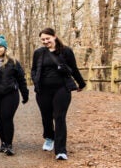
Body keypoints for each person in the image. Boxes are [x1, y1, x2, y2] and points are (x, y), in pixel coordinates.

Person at [31, 27, 86, 160]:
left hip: (62, 88)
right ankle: (49, 138)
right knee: (46, 116)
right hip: (43, 90)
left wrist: (81, 83)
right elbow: (33, 70)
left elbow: (73, 68)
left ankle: (61, 150)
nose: (45, 41)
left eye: (47, 38)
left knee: (59, 117)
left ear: (54, 36)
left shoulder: (66, 51)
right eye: (43, 39)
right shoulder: (39, 53)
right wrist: (35, 81)